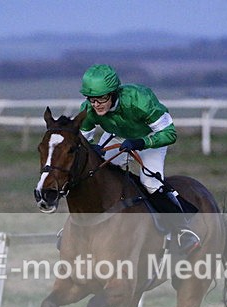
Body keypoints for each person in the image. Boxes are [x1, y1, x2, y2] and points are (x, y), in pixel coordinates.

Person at [78, 64, 201, 256]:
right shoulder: (89, 109)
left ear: (113, 93)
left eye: (102, 98)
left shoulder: (140, 100)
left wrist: (142, 142)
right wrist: (90, 148)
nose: (96, 104)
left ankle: (182, 231)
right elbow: (81, 140)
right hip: (117, 136)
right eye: (91, 99)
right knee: (97, 174)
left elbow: (170, 133)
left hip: (150, 137)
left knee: (150, 182)